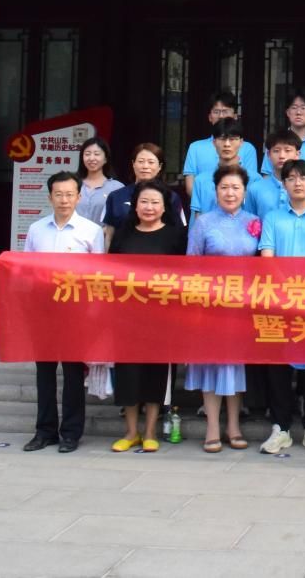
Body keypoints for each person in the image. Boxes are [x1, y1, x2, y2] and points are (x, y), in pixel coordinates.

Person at [253, 158, 305, 457]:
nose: (297, 183)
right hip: (280, 300)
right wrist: (287, 292)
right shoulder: (273, 217)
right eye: (291, 178)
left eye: (303, 178)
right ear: (284, 183)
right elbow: (267, 256)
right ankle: (281, 428)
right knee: (277, 365)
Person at [23, 171, 104, 453]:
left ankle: (70, 433)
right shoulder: (36, 230)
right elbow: (26, 271)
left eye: (70, 194)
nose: (64, 200)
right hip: (44, 311)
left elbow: (99, 275)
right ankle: (44, 431)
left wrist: (94, 314)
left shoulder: (91, 231)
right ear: (50, 197)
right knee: (44, 373)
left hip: (76, 313)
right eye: (58, 194)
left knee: (73, 374)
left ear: (79, 197)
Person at [108, 179, 186, 453]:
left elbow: (186, 275)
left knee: (156, 374)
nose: (149, 207)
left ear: (165, 207)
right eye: (144, 202)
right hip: (127, 317)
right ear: (135, 206)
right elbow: (110, 271)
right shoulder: (123, 233)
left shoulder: (176, 236)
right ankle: (131, 432)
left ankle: (151, 431)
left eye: (155, 202)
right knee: (127, 374)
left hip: (162, 318)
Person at [185, 164, 260, 453]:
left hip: (243, 305)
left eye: (236, 188)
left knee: (235, 364)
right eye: (224, 188)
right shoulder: (203, 222)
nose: (230, 193)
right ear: (215, 191)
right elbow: (192, 264)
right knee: (211, 364)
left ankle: (234, 426)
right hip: (210, 304)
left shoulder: (255, 221)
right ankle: (213, 428)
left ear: (245, 192)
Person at [102, 143, 185, 249]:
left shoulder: (171, 197)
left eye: (151, 162)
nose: (145, 166)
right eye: (141, 161)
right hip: (124, 254)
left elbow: (179, 232)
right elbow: (109, 235)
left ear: (160, 166)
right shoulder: (116, 196)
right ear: (133, 164)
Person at [181, 91, 259, 199]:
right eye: (216, 112)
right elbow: (191, 188)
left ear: (235, 116)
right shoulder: (195, 147)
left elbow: (251, 185)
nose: (221, 116)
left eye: (225, 111)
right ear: (210, 117)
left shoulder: (248, 148)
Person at [247, 130, 305, 219]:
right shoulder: (255, 189)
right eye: (276, 151)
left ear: (297, 154)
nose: (282, 156)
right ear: (268, 154)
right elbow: (250, 222)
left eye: (287, 150)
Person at [260, 87, 305, 181]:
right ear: (288, 112)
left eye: (303, 108)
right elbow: (267, 176)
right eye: (294, 108)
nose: (298, 112)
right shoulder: (275, 141)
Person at [189, 118, 247, 219]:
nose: (227, 144)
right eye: (222, 139)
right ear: (214, 142)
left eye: (232, 139)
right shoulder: (201, 180)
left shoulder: (255, 180)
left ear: (241, 142)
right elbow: (198, 219)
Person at [76, 136, 123, 224]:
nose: (91, 158)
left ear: (105, 159)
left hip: (102, 233)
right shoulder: (73, 184)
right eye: (87, 154)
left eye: (96, 154)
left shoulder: (117, 188)